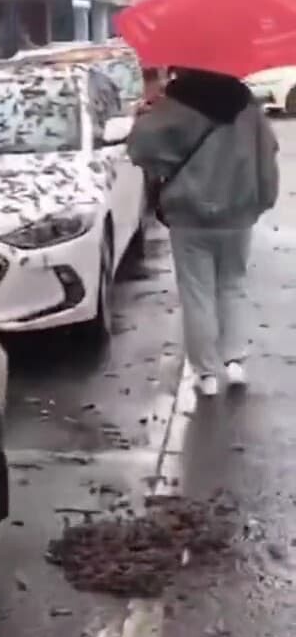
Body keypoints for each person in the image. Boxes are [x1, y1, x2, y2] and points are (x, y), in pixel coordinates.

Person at [126, 67, 279, 397]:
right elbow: (268, 150)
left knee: (197, 292)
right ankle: (234, 361)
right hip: (238, 212)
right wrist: (263, 198)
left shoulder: (177, 99)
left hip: (190, 213)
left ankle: (207, 374)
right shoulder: (243, 99)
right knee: (233, 285)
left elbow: (141, 149)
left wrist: (144, 115)